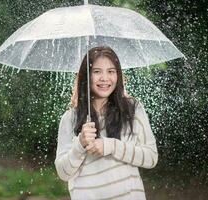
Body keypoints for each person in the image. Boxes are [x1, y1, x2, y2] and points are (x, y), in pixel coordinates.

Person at [54, 46, 158, 200]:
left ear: (118, 75)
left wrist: (111, 146)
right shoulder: (70, 118)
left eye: (111, 71)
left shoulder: (133, 110)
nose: (105, 78)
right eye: (97, 72)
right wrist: (80, 145)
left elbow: (151, 158)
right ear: (86, 76)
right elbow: (63, 173)